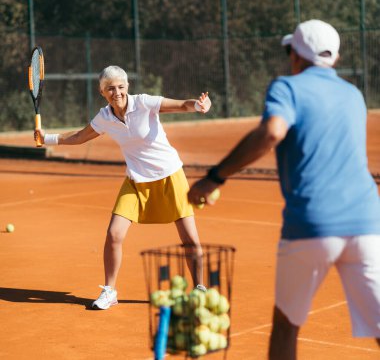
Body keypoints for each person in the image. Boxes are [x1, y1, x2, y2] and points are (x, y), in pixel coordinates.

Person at [188, 19, 380, 359]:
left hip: (312, 224)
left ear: (296, 56)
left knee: (286, 326)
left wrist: (214, 177)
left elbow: (273, 132)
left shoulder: (287, 88)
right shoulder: (354, 95)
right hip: (368, 222)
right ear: (333, 58)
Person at [35, 65, 211, 310]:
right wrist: (47, 138)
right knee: (114, 234)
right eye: (110, 89)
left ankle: (200, 288)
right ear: (102, 92)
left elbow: (182, 105)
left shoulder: (144, 103)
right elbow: (79, 136)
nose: (116, 92)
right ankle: (110, 291)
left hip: (170, 176)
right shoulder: (105, 118)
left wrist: (199, 105)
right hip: (136, 181)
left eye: (120, 86)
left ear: (127, 86)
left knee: (190, 239)